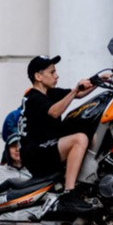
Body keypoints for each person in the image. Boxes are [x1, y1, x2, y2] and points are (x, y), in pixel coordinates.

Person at [17, 55, 94, 205]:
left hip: (47, 147)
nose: (57, 76)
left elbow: (79, 93)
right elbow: (54, 112)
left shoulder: (50, 93)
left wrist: (100, 80)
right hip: (35, 153)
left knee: (87, 127)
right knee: (79, 139)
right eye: (52, 72)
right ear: (38, 76)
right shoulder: (32, 97)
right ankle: (69, 193)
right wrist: (74, 91)